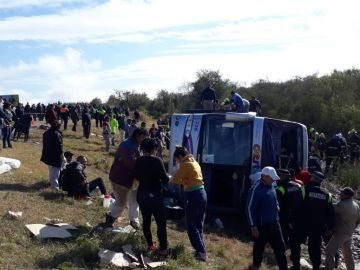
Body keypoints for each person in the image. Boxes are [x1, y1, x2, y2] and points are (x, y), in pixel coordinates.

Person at [99, 128, 148, 230]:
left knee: (134, 200)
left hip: (131, 180)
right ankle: (110, 218)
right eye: (143, 136)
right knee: (121, 202)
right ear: (137, 135)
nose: (144, 139)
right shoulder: (127, 145)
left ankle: (134, 221)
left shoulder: (136, 145)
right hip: (120, 179)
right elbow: (130, 163)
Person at [246, 166, 288, 270]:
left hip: (274, 223)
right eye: (272, 177)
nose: (274, 179)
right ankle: (256, 266)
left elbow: (274, 197)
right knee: (259, 248)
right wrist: (253, 226)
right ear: (264, 176)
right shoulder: (256, 189)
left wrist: (276, 205)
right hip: (261, 225)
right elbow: (249, 208)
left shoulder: (272, 185)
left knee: (280, 247)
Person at [171, 146, 207, 261]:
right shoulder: (194, 162)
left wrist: (168, 178)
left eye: (177, 160)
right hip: (201, 193)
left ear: (181, 157)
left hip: (193, 195)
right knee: (198, 223)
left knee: (190, 224)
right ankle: (201, 249)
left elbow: (176, 179)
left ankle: (201, 251)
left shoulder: (185, 164)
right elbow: (186, 178)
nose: (177, 162)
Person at [134, 138, 169, 256]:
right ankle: (163, 249)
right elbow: (165, 178)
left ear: (142, 148)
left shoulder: (138, 161)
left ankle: (150, 245)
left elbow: (137, 177)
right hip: (155, 195)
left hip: (142, 194)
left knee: (146, 220)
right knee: (161, 223)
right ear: (154, 149)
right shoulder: (157, 160)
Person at [303, 171, 334, 270]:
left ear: (312, 178)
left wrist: (291, 220)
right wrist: (330, 226)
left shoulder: (304, 190)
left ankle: (295, 263)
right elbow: (331, 212)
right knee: (315, 246)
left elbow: (297, 207)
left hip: (303, 223)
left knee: (295, 243)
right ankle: (316, 265)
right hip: (318, 225)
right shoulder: (327, 194)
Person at [275, 169, 304, 270]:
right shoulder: (298, 186)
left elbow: (277, 203)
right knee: (295, 243)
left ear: (282, 177)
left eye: (279, 175)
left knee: (282, 238)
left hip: (284, 217)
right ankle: (296, 265)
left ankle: (282, 262)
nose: (277, 177)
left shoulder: (280, 188)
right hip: (298, 217)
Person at [325, 187, 360, 270]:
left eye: (342, 193)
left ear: (346, 195)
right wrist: (353, 227)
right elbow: (359, 219)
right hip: (349, 232)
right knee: (347, 252)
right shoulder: (356, 205)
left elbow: (331, 207)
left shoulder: (342, 204)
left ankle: (329, 268)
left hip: (340, 233)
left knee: (329, 251)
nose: (340, 194)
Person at [40, 120, 63, 190]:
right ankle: (55, 187)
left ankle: (52, 183)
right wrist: (61, 155)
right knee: (55, 171)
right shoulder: (56, 134)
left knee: (51, 170)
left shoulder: (46, 132)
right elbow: (59, 146)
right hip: (55, 155)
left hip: (47, 153)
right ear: (58, 126)